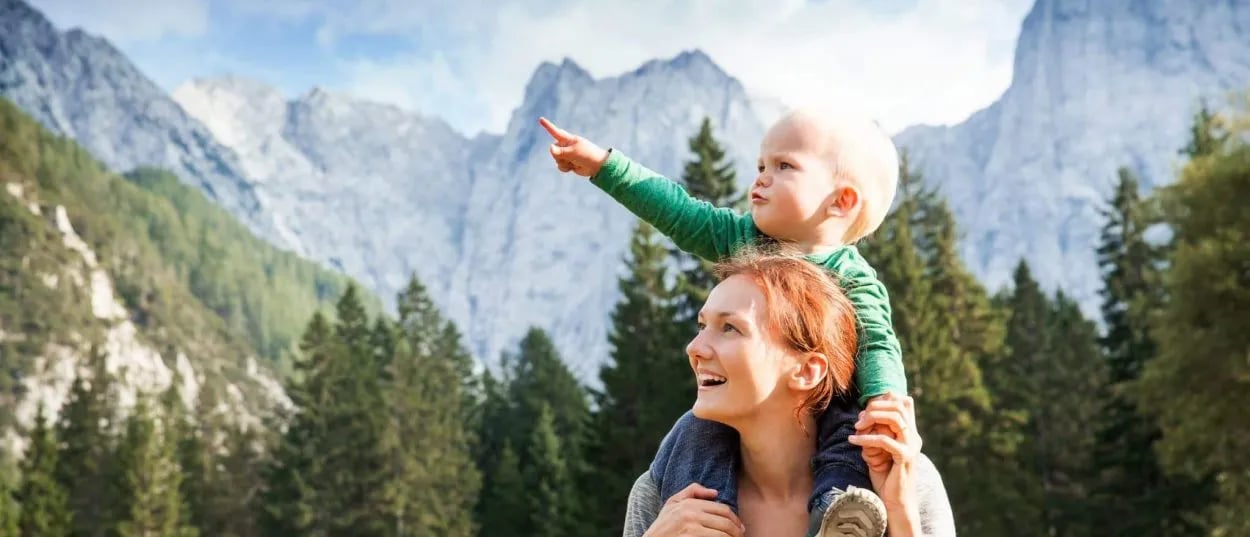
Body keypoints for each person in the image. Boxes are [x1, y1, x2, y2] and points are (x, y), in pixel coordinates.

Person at [540, 105, 906, 535]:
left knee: (853, 442)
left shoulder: (856, 280)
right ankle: (712, 519)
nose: (761, 177)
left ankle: (837, 517)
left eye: (784, 165)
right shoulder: (743, 239)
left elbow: (878, 344)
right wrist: (604, 166)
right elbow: (677, 211)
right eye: (761, 165)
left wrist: (884, 400)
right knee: (694, 434)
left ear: (842, 200)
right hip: (715, 459)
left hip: (831, 408)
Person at [618, 252, 954, 536]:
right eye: (702, 326)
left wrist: (900, 515)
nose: (695, 348)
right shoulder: (663, 495)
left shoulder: (905, 480)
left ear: (807, 371)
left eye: (730, 328)